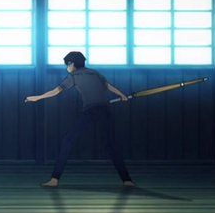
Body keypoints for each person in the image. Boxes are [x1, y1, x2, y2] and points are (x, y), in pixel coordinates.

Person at [25, 51, 134, 188]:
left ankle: (54, 179)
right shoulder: (95, 73)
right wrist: (121, 95)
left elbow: (56, 91)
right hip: (105, 111)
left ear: (71, 64)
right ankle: (127, 180)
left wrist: (37, 97)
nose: (67, 67)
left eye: (67, 65)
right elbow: (108, 86)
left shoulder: (74, 76)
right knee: (111, 145)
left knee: (67, 141)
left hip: (90, 111)